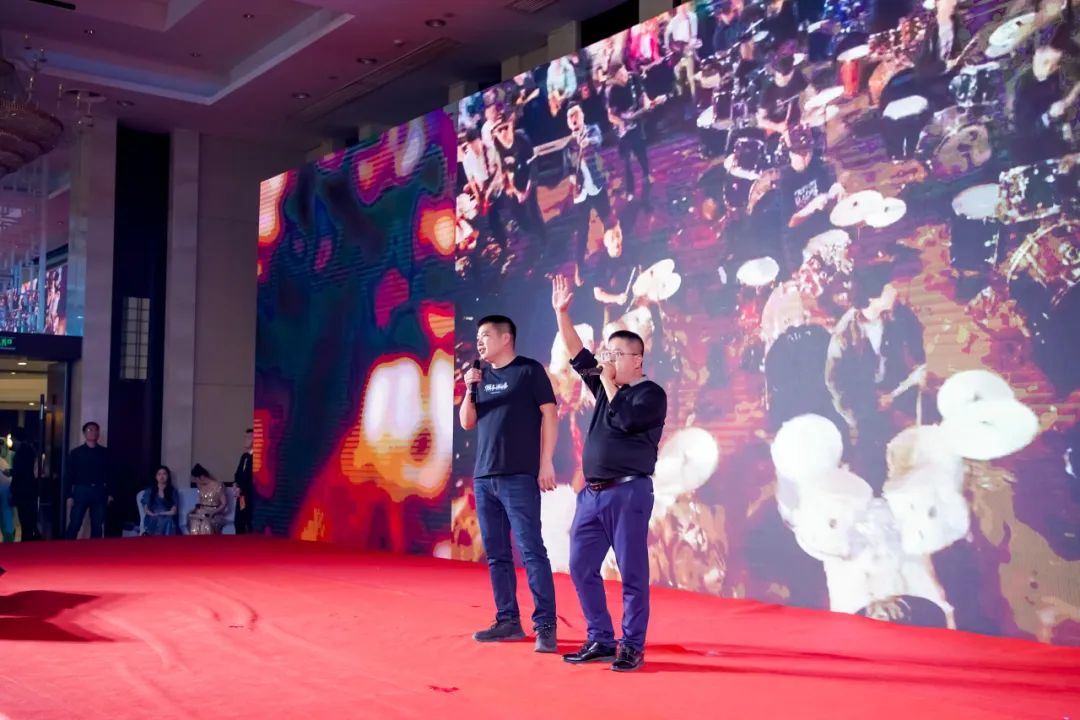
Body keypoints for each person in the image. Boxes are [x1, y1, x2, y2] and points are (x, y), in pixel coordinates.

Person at [551, 275, 668, 672]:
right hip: (592, 494)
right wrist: (561, 313)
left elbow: (626, 418)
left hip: (628, 492)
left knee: (632, 573)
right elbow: (575, 352)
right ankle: (600, 637)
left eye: (615, 354)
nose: (608, 359)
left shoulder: (650, 394)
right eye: (607, 352)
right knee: (581, 566)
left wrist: (604, 377)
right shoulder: (604, 387)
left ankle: (631, 645)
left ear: (636, 359)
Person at [459, 315, 559, 652]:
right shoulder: (480, 377)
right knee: (497, 555)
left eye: (485, 335)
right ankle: (508, 621)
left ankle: (545, 625)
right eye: (477, 336)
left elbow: (550, 414)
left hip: (519, 476)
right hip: (485, 477)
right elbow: (467, 422)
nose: (479, 341)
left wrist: (546, 462)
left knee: (531, 551)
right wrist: (469, 388)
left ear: (506, 338)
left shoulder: (529, 371)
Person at [825, 263, 926, 492]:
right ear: (873, 298)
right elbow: (836, 386)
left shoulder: (895, 315)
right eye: (888, 287)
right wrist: (871, 405)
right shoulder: (843, 336)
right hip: (867, 412)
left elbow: (916, 344)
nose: (894, 290)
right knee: (876, 472)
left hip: (898, 397)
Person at [65, 421, 113, 539]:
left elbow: (111, 474)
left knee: (97, 525)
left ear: (98, 433)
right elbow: (69, 475)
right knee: (75, 522)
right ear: (84, 433)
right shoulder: (76, 453)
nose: (93, 432)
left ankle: (94, 549)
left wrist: (110, 493)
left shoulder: (105, 452)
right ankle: (66, 547)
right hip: (81, 490)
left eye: (95, 430)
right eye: (89, 430)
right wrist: (69, 495)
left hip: (99, 490)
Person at [10, 427, 41, 541]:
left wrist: (11, 472)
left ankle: (27, 541)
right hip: (29, 489)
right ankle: (29, 538)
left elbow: (22, 470)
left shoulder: (23, 451)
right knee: (28, 518)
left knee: (25, 519)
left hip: (24, 490)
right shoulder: (29, 449)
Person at [188, 464, 228, 535]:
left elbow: (224, 503)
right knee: (195, 523)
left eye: (196, 479)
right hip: (201, 512)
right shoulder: (199, 485)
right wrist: (195, 510)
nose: (196, 482)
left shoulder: (218, 485)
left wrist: (213, 512)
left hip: (214, 512)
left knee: (205, 525)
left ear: (202, 477)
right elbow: (200, 501)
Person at [141, 465, 179, 536]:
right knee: (161, 520)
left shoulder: (173, 491)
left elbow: (173, 511)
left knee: (168, 520)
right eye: (159, 474)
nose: (162, 476)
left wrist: (161, 513)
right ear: (156, 477)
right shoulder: (150, 490)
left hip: (167, 515)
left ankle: (164, 542)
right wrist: (153, 514)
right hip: (152, 516)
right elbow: (146, 510)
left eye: (164, 474)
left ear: (168, 476)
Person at [233, 429, 255, 534]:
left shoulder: (256, 458)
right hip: (241, 496)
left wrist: (241, 488)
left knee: (249, 522)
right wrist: (235, 484)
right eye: (245, 437)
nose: (245, 440)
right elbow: (238, 474)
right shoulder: (244, 456)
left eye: (249, 437)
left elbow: (251, 478)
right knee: (238, 522)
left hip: (250, 496)